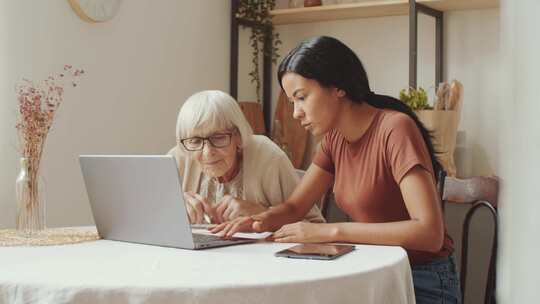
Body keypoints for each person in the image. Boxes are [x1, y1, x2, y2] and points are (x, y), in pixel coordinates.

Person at [212, 37, 460, 303]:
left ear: (338, 87)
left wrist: (329, 231)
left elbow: (429, 234)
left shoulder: (395, 129)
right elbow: (295, 207)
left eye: (301, 98)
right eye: (292, 102)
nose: (296, 113)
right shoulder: (334, 140)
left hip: (421, 280)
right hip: (372, 270)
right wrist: (260, 221)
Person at [168, 90, 324, 225]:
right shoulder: (178, 158)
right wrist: (173, 210)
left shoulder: (268, 157)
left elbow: (315, 226)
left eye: (219, 138)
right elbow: (148, 220)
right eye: (195, 141)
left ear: (238, 136)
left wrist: (262, 214)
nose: (208, 152)